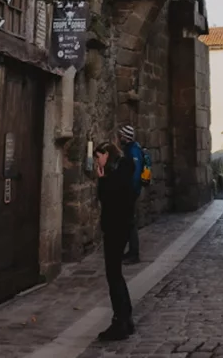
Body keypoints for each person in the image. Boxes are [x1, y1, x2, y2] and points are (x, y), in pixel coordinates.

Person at [95, 140, 136, 341]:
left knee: (113, 275)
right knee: (116, 274)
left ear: (106, 154)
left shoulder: (116, 175)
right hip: (122, 227)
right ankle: (126, 318)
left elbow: (108, 199)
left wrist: (102, 180)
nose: (97, 161)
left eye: (98, 157)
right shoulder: (123, 170)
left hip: (115, 228)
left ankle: (120, 321)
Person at [119, 124, 143, 264]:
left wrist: (130, 189)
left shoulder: (133, 151)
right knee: (128, 221)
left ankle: (134, 253)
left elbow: (135, 172)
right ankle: (130, 251)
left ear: (126, 136)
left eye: (122, 135)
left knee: (131, 222)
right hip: (130, 191)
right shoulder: (130, 149)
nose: (120, 137)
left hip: (131, 191)